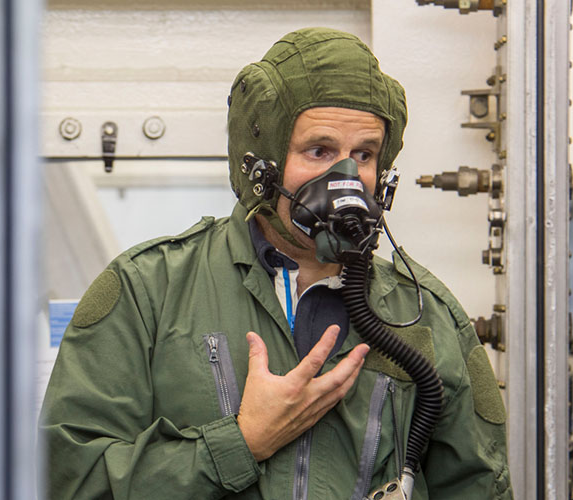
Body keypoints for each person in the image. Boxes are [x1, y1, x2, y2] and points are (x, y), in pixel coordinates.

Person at [41, 27, 512, 499]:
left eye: (364, 154)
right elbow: (70, 482)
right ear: (260, 168)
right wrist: (241, 443)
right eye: (319, 151)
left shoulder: (426, 315)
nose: (345, 178)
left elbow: (480, 487)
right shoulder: (149, 291)